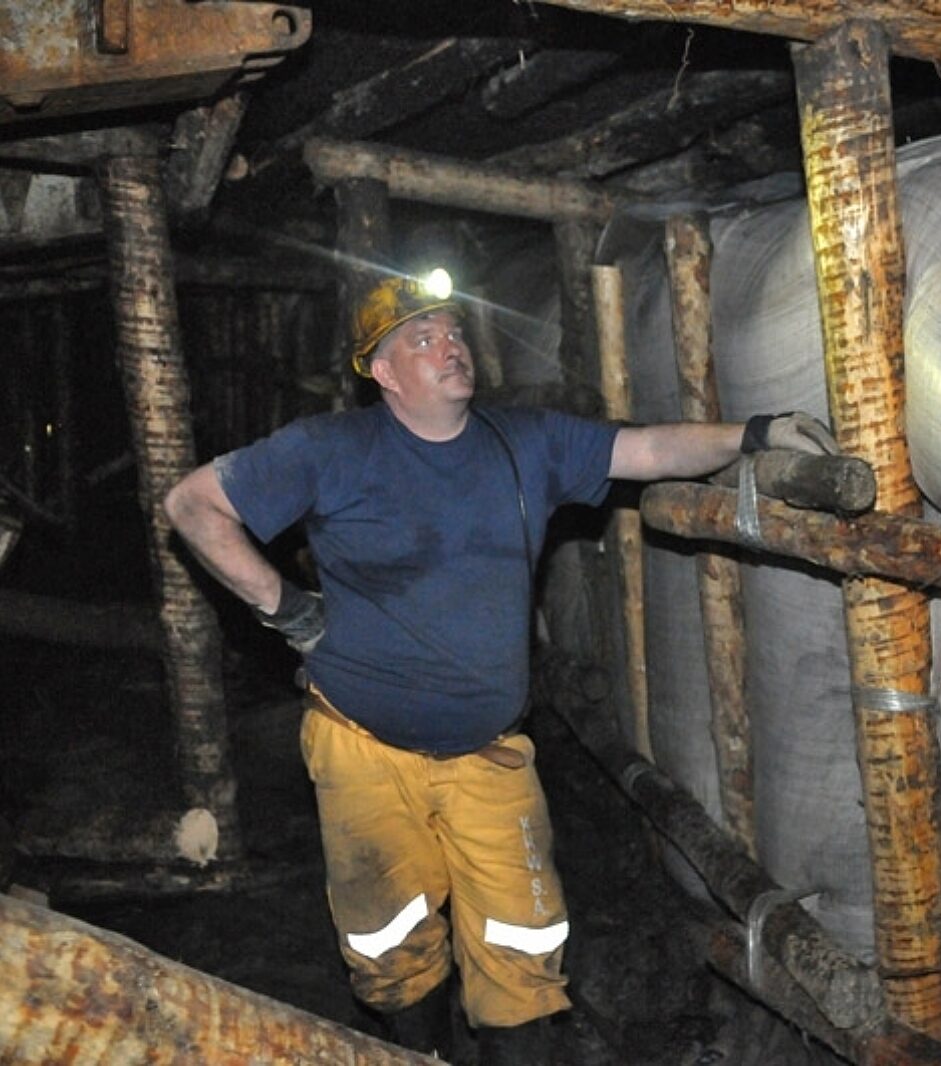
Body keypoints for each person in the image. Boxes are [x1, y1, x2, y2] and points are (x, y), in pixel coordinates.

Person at [163, 270, 839, 1063]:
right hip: (362, 748)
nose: (450, 347)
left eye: (453, 332)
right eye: (422, 339)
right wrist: (286, 607)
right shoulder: (332, 449)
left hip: (489, 755)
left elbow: (648, 447)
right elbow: (192, 504)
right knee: (390, 946)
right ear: (382, 372)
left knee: (523, 947)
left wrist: (755, 432)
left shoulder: (526, 443)